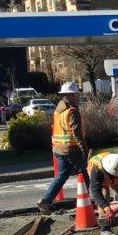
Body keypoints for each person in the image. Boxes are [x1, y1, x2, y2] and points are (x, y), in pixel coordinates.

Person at [38, 82, 88, 215]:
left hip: (58, 149)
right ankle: (90, 202)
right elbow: (76, 133)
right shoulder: (72, 111)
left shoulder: (58, 110)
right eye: (76, 94)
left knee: (62, 175)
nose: (77, 96)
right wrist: (84, 149)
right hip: (71, 149)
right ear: (70, 95)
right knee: (85, 174)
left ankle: (46, 200)